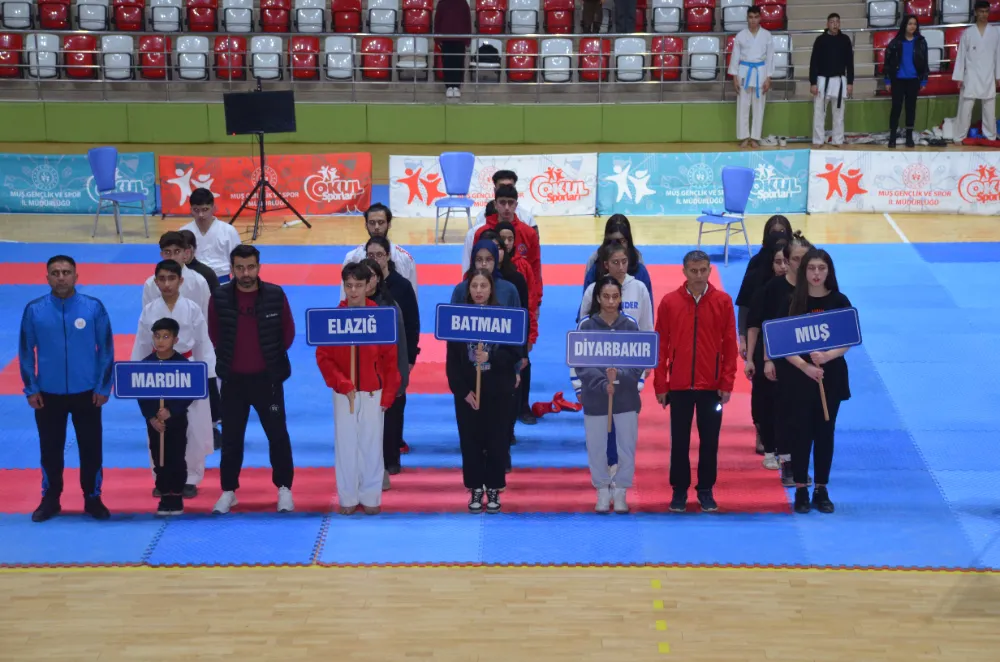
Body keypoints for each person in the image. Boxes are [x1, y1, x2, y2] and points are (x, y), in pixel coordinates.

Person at [19, 255, 113, 522]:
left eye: (66, 272)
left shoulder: (93, 308)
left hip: (88, 393)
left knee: (91, 448)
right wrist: (31, 388)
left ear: (76, 276)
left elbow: (106, 349)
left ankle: (93, 497)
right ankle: (51, 498)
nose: (61, 277)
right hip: (48, 394)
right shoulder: (34, 310)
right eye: (55, 273)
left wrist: (103, 387)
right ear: (47, 277)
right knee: (50, 449)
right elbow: (25, 351)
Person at [208, 245, 296, 515]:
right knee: (231, 438)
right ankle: (228, 491)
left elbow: (288, 333)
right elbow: (214, 334)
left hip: (268, 380)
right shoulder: (219, 297)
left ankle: (284, 488)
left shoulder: (275, 295)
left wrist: (269, 359)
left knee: (277, 435)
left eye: (250, 267)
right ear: (231, 269)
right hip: (233, 382)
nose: (245, 273)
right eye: (239, 268)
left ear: (258, 267)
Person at [653, 250, 737, 513]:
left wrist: (727, 383)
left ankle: (706, 489)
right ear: (684, 272)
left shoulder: (723, 302)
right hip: (679, 385)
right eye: (693, 271)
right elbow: (660, 346)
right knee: (679, 441)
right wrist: (661, 384)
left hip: (712, 386)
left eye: (703, 270)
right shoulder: (669, 302)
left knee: (710, 440)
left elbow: (730, 345)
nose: (699, 275)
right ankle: (679, 490)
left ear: (710, 271)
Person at [317, 262, 401, 515]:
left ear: (368, 286)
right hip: (345, 392)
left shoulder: (380, 318)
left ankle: (371, 496)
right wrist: (341, 382)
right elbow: (323, 357)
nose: (353, 291)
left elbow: (390, 360)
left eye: (358, 285)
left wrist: (389, 392)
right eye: (349, 285)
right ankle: (348, 496)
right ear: (344, 287)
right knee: (346, 444)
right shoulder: (334, 318)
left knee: (371, 445)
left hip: (374, 391)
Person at [131, 259, 216, 498]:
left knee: (193, 426)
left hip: (188, 369)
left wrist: (208, 375)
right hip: (156, 370)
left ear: (181, 280)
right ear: (155, 282)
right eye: (162, 279)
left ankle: (191, 477)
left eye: (171, 278)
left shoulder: (192, 308)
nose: (167, 284)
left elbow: (203, 343)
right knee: (158, 423)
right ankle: (161, 477)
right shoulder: (149, 310)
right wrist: (136, 375)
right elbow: (142, 344)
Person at [781, 248, 852, 515]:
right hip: (800, 377)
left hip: (831, 376)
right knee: (800, 433)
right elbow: (782, 343)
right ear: (804, 271)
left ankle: (821, 488)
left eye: (822, 268)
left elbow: (847, 339)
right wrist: (805, 366)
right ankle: (801, 488)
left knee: (825, 432)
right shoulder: (793, 301)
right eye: (811, 268)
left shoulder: (839, 300)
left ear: (829, 271)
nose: (816, 273)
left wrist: (827, 356)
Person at [446, 268, 520, 514]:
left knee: (497, 441)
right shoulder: (458, 319)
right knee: (470, 442)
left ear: (491, 289)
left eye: (483, 286)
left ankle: (495, 487)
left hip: (498, 391)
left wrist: (491, 357)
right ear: (468, 289)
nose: (478, 291)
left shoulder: (505, 317)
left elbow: (515, 353)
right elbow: (452, 362)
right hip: (469, 393)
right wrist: (463, 391)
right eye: (474, 286)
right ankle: (476, 487)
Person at [575, 276, 642, 514]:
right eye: (606, 297)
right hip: (595, 398)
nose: (611, 302)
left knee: (626, 447)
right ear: (598, 298)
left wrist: (620, 376)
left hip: (626, 399)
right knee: (596, 447)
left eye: (615, 297)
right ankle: (602, 489)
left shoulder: (630, 326)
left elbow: (639, 363)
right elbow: (581, 364)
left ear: (621, 298)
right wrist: (603, 383)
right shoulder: (586, 326)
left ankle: (621, 490)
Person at [755, 231, 813, 487]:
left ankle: (801, 462)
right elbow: (766, 325)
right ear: (787, 261)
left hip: (810, 361)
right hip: (782, 360)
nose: (802, 263)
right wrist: (767, 359)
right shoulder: (774, 288)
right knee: (784, 413)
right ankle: (787, 463)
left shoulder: (816, 288)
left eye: (805, 258)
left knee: (806, 416)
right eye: (797, 258)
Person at [734, 215, 792, 453]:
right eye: (773, 232)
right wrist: (742, 338)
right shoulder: (757, 265)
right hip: (759, 339)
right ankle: (761, 429)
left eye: (782, 231)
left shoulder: (797, 267)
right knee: (761, 388)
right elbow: (745, 307)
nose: (778, 236)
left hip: (788, 341)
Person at [365, 236, 420, 476]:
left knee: (394, 406)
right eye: (371, 255)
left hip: (394, 360)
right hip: (367, 365)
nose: (375, 259)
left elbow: (412, 324)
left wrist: (410, 358)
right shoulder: (358, 291)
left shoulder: (401, 287)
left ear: (388, 256)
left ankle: (392, 457)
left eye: (379, 254)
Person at [359, 256, 410, 490]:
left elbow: (401, 348)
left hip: (384, 377)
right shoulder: (350, 307)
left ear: (378, 279)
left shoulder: (390, 307)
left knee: (386, 425)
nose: (366, 282)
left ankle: (387, 466)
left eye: (370, 277)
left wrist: (400, 381)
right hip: (360, 379)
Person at [137, 318, 194, 517]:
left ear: (175, 339)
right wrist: (152, 417)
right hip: (155, 423)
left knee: (176, 456)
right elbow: (142, 395)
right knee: (158, 457)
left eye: (166, 336)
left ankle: (176, 495)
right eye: (157, 336)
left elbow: (189, 393)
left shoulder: (182, 364)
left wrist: (172, 411)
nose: (161, 341)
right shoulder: (146, 364)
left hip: (177, 421)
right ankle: (163, 494)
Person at [742, 246, 789, 471]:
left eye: (787, 261)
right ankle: (769, 449)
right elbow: (753, 326)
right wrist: (750, 359)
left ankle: (787, 452)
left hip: (792, 356)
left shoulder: (802, 292)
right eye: (778, 262)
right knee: (766, 404)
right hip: (765, 353)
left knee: (788, 406)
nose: (783, 266)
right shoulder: (764, 290)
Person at [495, 221, 539, 425]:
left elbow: (530, 302)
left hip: (517, 329)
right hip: (495, 329)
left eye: (510, 239)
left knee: (523, 364)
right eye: (502, 239)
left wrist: (531, 333)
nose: (507, 243)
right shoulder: (486, 269)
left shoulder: (522, 267)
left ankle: (524, 406)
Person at [470, 185, 543, 305]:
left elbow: (535, 267)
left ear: (516, 205)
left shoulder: (529, 233)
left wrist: (537, 302)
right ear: (495, 204)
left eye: (511, 203)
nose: (507, 208)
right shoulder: (481, 232)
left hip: (521, 289)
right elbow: (472, 264)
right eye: (502, 203)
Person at [463, 171, 538, 272]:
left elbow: (534, 263)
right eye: (502, 186)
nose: (507, 207)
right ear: (495, 190)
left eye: (509, 186)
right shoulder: (481, 223)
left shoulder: (527, 219)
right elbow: (471, 262)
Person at [341, 203, 417, 300]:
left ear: (389, 224)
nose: (376, 227)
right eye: (372, 223)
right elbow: (345, 298)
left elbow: (411, 296)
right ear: (366, 225)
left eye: (381, 222)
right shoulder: (352, 258)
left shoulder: (405, 259)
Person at [952, 1, 1000, 144]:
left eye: (986, 11)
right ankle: (959, 136)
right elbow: (961, 55)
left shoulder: (995, 32)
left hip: (988, 74)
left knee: (989, 109)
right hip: (971, 75)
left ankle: (990, 137)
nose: (984, 14)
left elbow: (998, 55)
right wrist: (959, 76)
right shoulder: (968, 33)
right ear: (975, 12)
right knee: (965, 108)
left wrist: (998, 76)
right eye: (981, 11)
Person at [582, 215, 653, 308]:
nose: (618, 245)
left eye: (622, 241)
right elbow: (586, 303)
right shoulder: (595, 263)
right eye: (614, 241)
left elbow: (647, 306)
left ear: (628, 241)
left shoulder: (639, 268)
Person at [728, 6, 774, 149]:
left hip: (760, 71)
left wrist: (769, 78)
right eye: (750, 17)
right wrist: (734, 77)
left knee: (758, 107)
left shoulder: (767, 35)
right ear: (747, 18)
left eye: (756, 17)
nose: (753, 20)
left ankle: (755, 137)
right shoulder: (741, 35)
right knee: (743, 106)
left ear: (760, 18)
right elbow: (735, 57)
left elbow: (770, 57)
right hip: (744, 71)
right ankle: (744, 137)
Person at [810, 13, 855, 147]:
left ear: (839, 24)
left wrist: (850, 82)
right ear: (827, 24)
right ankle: (818, 140)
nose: (835, 24)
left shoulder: (845, 40)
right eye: (832, 22)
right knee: (819, 112)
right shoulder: (820, 40)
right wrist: (813, 82)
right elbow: (813, 62)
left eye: (837, 22)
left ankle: (838, 140)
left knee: (839, 113)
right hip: (822, 80)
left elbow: (850, 63)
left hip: (839, 80)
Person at [884, 15, 929, 149]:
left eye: (914, 24)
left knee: (911, 108)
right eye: (910, 23)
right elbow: (888, 63)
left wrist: (923, 80)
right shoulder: (895, 42)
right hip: (898, 80)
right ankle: (892, 136)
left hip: (913, 80)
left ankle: (909, 136)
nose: (912, 26)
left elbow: (925, 62)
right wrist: (887, 80)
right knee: (896, 107)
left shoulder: (921, 42)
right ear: (904, 25)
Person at [180, 188, 241, 283]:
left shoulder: (229, 231)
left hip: (222, 280)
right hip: (193, 281)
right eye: (196, 210)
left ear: (214, 208)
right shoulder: (184, 232)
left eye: (205, 209)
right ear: (191, 210)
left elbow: (238, 260)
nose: (201, 214)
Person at [143, 232, 211, 317]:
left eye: (177, 252)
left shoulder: (199, 282)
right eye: (167, 252)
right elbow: (147, 317)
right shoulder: (151, 284)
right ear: (162, 255)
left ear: (185, 254)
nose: (172, 257)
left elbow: (206, 315)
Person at [451, 238, 521, 308]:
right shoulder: (461, 289)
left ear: (496, 261)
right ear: (473, 261)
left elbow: (518, 314)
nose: (484, 264)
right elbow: (451, 313)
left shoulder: (509, 290)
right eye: (479, 259)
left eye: (489, 259)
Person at [434, 0, 471, 99]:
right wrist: (437, 39)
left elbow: (467, 21)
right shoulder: (442, 3)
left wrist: (467, 39)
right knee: (447, 63)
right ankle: (449, 86)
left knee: (459, 63)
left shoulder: (463, 3)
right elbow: (437, 21)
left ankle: (457, 86)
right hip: (446, 39)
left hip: (460, 39)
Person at [178, 229, 221, 293]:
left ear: (194, 248)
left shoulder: (207, 273)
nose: (184, 252)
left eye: (187, 248)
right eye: (179, 249)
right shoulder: (169, 270)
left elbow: (217, 296)